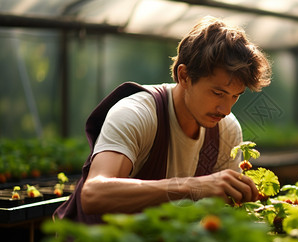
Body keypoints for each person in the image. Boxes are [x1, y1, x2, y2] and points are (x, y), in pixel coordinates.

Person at [54, 16, 272, 224]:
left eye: (235, 96)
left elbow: (222, 209)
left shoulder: (226, 129)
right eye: (217, 93)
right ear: (184, 76)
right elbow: (93, 195)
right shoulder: (136, 114)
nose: (226, 109)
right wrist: (191, 187)